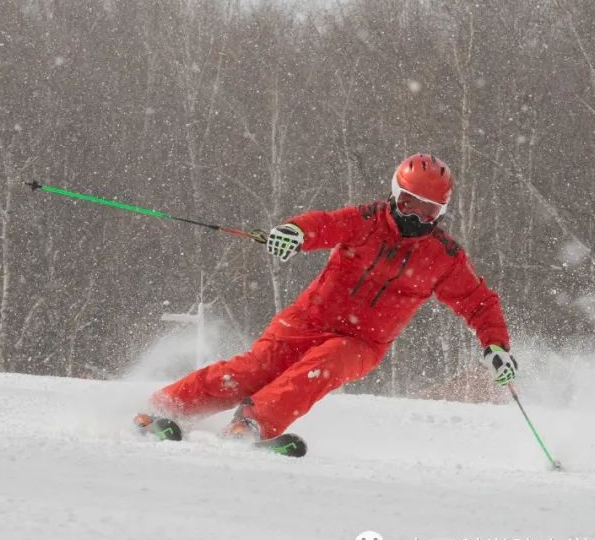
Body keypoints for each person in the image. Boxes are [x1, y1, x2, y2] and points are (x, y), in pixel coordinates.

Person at [134, 153, 518, 441]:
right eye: (407, 204)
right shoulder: (367, 221)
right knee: (255, 369)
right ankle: (165, 408)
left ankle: (251, 424)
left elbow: (479, 302)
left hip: (361, 341)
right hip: (308, 319)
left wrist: (496, 346)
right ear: (394, 195)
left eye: (427, 211)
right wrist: (295, 233)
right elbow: (324, 225)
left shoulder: (443, 258)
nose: (414, 218)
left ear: (441, 213)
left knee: (323, 365)